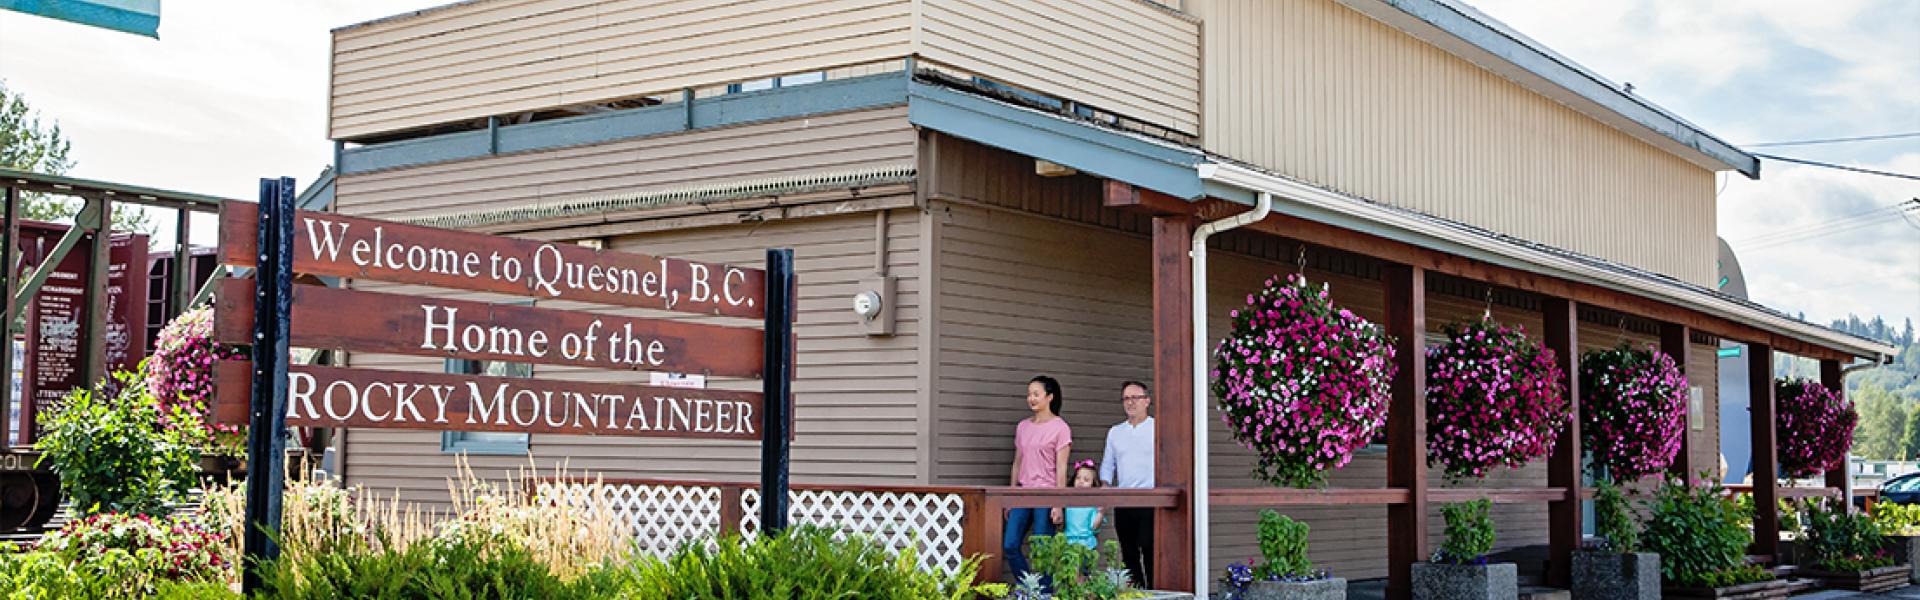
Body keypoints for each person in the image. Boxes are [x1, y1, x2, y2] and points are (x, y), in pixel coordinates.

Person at [1005, 375, 1071, 582]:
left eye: (1036, 394)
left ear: (1049, 397)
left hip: (1047, 494)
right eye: (1029, 394)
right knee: (1010, 544)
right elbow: (1017, 463)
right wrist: (1010, 495)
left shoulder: (1061, 428)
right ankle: (1029, 588)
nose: (1031, 398)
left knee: (1043, 551)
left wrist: (1059, 504)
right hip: (1023, 493)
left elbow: (1061, 468)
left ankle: (1044, 593)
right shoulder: (1023, 427)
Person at [1099, 380, 1154, 588]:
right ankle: (1136, 592)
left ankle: (1155, 591)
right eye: (1126, 398)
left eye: (1135, 398)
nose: (1130, 402)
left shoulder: (1157, 428)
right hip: (1124, 500)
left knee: (1150, 549)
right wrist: (1105, 486)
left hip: (1151, 499)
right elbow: (1108, 464)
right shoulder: (1115, 432)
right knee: (1128, 552)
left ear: (1146, 401)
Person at [1062, 459, 1105, 549]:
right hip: (1068, 542)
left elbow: (1094, 527)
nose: (1081, 481)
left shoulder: (1092, 504)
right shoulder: (1068, 501)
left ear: (1093, 484)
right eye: (1078, 478)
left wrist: (1100, 513)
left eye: (1086, 480)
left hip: (1086, 543)